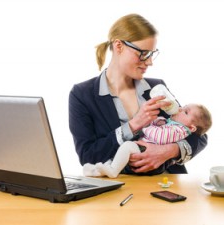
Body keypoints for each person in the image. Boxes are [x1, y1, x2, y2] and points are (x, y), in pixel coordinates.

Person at [69, 13, 209, 176]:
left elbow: (198, 132)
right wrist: (133, 125)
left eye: (151, 54)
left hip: (165, 184)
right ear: (119, 46)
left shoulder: (156, 88)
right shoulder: (82, 94)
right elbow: (88, 156)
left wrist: (169, 150)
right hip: (117, 186)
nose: (149, 62)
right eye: (143, 53)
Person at [83, 104, 212, 178]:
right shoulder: (175, 124)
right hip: (140, 152)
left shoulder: (179, 130)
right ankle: (97, 171)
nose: (179, 108)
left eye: (185, 111)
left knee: (127, 146)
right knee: (117, 156)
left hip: (151, 162)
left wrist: (146, 126)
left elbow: (160, 136)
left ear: (191, 127)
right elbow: (161, 126)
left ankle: (112, 171)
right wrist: (157, 122)